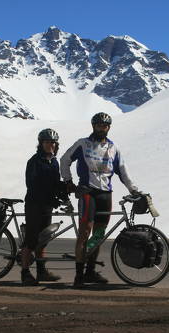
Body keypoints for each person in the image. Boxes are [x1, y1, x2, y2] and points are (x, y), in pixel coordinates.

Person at [60, 112, 140, 288]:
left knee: (99, 234)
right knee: (85, 232)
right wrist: (69, 182)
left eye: (105, 126)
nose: (101, 128)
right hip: (87, 193)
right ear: (93, 126)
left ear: (108, 128)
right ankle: (79, 276)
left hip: (105, 195)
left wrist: (133, 189)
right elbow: (64, 160)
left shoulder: (113, 148)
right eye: (98, 125)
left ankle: (90, 272)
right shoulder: (82, 144)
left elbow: (123, 171)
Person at [20, 128, 64, 285]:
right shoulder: (34, 161)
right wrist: (50, 196)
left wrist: (63, 191)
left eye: (53, 142)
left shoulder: (54, 161)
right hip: (34, 204)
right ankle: (25, 273)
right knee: (31, 240)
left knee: (43, 239)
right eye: (47, 142)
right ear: (41, 143)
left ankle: (41, 272)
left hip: (46, 205)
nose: (50, 145)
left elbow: (54, 183)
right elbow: (32, 184)